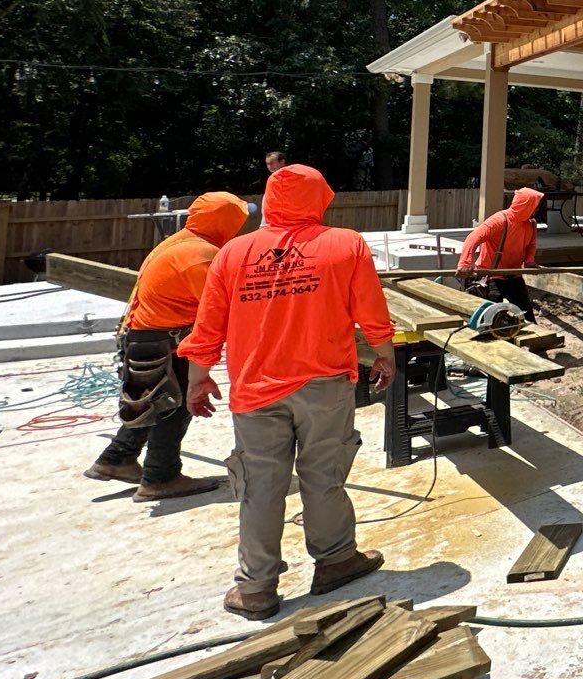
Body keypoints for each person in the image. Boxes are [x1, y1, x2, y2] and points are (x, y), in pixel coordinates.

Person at [178, 164, 396, 620]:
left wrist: (198, 378)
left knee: (259, 485)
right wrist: (384, 354)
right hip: (325, 385)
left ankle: (255, 588)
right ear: (319, 198)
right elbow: (370, 309)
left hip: (255, 389)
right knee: (324, 474)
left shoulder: (234, 253)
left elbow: (209, 325)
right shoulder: (346, 244)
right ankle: (336, 561)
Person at [84, 191, 249, 501]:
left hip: (142, 336)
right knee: (174, 406)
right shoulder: (201, 256)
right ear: (225, 223)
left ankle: (117, 459)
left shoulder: (177, 242)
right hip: (167, 341)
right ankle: (161, 476)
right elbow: (221, 312)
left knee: (151, 400)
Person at [456, 186, 543, 322]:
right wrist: (465, 262)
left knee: (526, 314)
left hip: (514, 275)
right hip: (492, 277)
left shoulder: (530, 223)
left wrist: (529, 261)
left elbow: (531, 245)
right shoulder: (499, 220)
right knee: (491, 318)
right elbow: (473, 238)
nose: (537, 209)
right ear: (526, 205)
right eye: (535, 206)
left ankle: (534, 339)